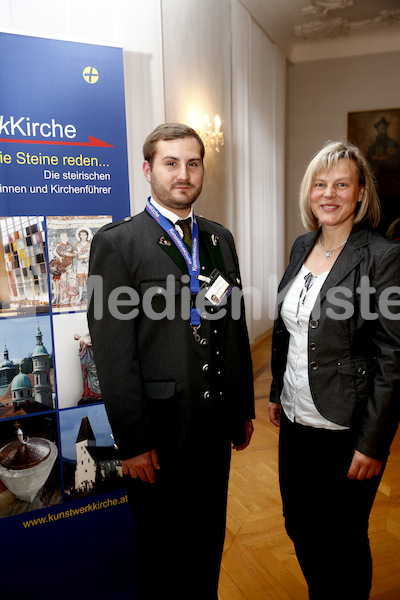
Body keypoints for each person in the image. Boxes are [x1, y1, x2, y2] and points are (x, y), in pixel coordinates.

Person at [87, 123, 255, 600]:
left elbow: (234, 326)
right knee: (162, 555)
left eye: (193, 163)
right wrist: (134, 442)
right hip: (158, 436)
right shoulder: (118, 244)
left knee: (207, 544)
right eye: (171, 162)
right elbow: (113, 353)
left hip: (213, 428)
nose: (184, 174)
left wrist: (241, 405)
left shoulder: (219, 239)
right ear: (148, 169)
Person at [268, 140, 400, 600]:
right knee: (298, 524)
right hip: (296, 418)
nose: (329, 194)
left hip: (347, 425)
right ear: (309, 194)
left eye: (341, 184)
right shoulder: (302, 245)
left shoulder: (382, 257)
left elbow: (393, 357)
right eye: (319, 185)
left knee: (343, 538)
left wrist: (373, 441)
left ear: (361, 194)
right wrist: (274, 392)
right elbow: (290, 323)